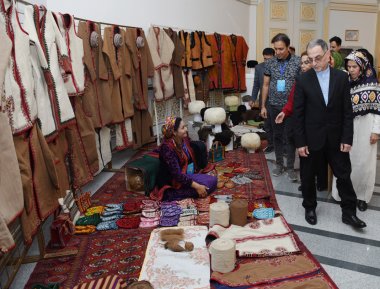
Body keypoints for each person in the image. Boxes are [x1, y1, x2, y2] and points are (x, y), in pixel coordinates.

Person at [293, 39, 366, 228]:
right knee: (308, 176)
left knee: (343, 175)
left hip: (336, 138)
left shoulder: (341, 78)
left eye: (318, 58)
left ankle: (349, 213)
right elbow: (298, 114)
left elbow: (347, 112)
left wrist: (347, 138)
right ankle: (309, 207)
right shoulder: (303, 80)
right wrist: (300, 142)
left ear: (328, 55)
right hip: (311, 138)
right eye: (310, 59)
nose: (314, 63)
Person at [332, 51, 380, 212]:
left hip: (366, 128)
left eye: (354, 66)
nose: (351, 69)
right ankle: (342, 194)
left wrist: (376, 131)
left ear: (363, 67)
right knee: (345, 161)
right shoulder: (343, 82)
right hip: (346, 127)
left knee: (365, 164)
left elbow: (377, 111)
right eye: (349, 66)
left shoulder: (372, 84)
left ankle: (361, 197)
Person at [276, 52, 327, 188]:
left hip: (316, 124)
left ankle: (320, 179)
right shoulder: (300, 80)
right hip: (299, 121)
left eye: (307, 62)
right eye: (302, 63)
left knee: (317, 152)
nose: (303, 66)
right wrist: (284, 112)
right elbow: (292, 101)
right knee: (303, 153)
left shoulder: (324, 80)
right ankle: (306, 182)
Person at [260, 33, 301, 178]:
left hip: (291, 108)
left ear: (288, 47)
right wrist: (263, 106)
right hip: (273, 105)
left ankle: (290, 167)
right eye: (275, 49)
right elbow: (265, 85)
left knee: (289, 137)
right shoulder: (270, 63)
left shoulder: (298, 62)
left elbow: (302, 85)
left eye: (280, 49)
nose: (277, 52)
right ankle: (279, 164)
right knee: (277, 136)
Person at [156, 116, 217, 201]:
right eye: (183, 128)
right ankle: (172, 195)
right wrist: (198, 186)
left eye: (185, 126)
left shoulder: (180, 141)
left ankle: (197, 188)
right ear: (174, 132)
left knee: (213, 180)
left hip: (182, 177)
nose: (186, 129)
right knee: (205, 188)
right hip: (171, 184)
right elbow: (177, 175)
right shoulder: (167, 148)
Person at [252, 47, 275, 153]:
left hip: (277, 100)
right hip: (264, 100)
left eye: (269, 59)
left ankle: (281, 145)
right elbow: (256, 84)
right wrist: (253, 98)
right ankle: (270, 145)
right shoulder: (259, 67)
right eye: (265, 59)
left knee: (278, 124)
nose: (267, 61)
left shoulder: (279, 67)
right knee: (267, 124)